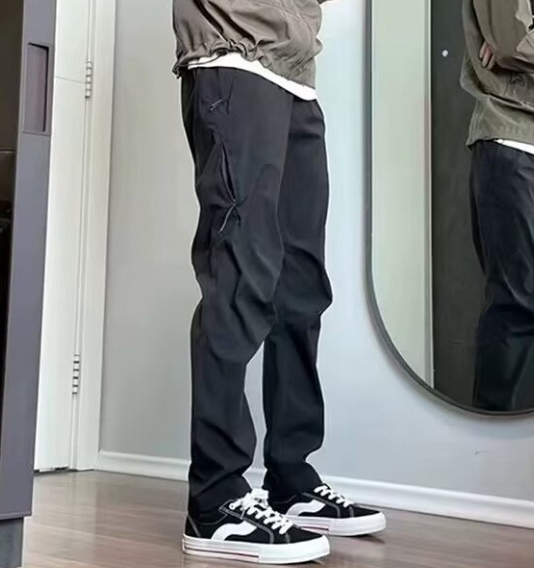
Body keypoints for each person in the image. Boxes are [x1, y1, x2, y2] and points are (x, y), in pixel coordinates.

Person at [172, 0, 386, 563]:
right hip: (233, 54)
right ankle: (215, 500)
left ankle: (290, 478)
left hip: (295, 74)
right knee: (239, 276)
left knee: (301, 288)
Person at [462, 0, 534, 411]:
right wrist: (516, 46)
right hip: (515, 139)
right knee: (517, 304)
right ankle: (488, 435)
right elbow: (513, 42)